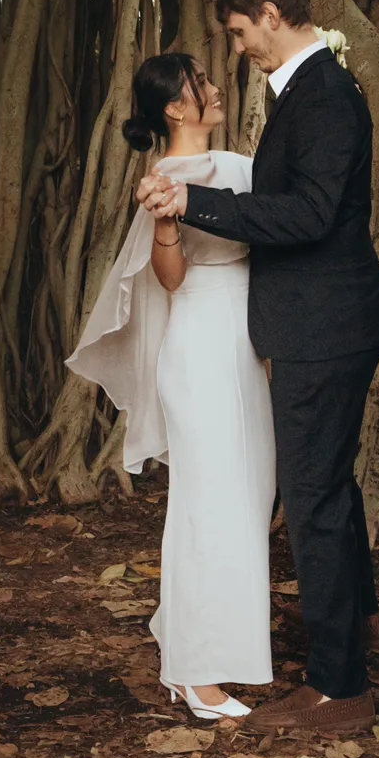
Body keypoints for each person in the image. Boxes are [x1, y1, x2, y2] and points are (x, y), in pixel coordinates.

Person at [137, 0, 379, 738]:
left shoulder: (321, 95)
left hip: (324, 326)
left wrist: (193, 200)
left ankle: (338, 687)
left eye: (240, 30)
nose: (239, 47)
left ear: (269, 14)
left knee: (314, 497)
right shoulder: (312, 90)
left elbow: (312, 214)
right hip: (328, 320)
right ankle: (360, 621)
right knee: (331, 487)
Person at [65, 51, 273, 720]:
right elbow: (173, 280)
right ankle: (192, 670)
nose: (215, 89)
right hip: (198, 343)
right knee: (207, 504)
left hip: (244, 347)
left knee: (246, 499)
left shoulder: (243, 167)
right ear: (177, 109)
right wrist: (163, 229)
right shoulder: (163, 181)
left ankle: (206, 645)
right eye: (201, 85)